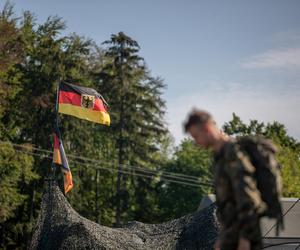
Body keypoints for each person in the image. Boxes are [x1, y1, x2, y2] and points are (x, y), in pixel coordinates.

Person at [184, 109, 266, 250]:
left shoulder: (233, 153)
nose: (196, 142)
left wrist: (245, 239)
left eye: (196, 136)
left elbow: (249, 198)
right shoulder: (221, 156)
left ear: (207, 129)